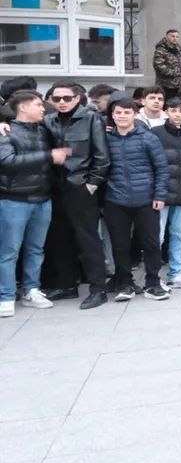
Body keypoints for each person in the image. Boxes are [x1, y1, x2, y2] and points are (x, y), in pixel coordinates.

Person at [40, 82, 110, 308]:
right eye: (56, 98)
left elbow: (102, 156)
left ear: (77, 98)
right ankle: (66, 285)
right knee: (59, 239)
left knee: (88, 240)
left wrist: (92, 183)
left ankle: (98, 289)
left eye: (66, 98)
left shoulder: (91, 119)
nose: (61, 102)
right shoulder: (48, 120)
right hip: (54, 187)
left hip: (81, 187)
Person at [0, 91, 67, 315]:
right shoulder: (6, 132)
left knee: (36, 249)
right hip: (14, 199)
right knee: (9, 251)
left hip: (43, 198)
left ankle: (31, 290)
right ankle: (6, 296)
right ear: (22, 107)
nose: (43, 108)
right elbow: (7, 161)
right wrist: (48, 156)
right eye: (38, 104)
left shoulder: (43, 130)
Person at [102, 94, 171, 301]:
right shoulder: (105, 139)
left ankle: (153, 283)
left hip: (146, 200)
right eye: (118, 112)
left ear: (135, 114)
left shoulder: (148, 138)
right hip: (116, 200)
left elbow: (162, 169)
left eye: (127, 112)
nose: (122, 116)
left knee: (151, 243)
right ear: (112, 115)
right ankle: (125, 283)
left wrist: (159, 195)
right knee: (120, 245)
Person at [154, 98, 181, 289]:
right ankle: (154, 277)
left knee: (178, 236)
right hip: (161, 194)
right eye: (173, 110)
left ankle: (176, 274)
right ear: (166, 112)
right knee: (157, 237)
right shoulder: (155, 133)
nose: (177, 114)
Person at [153, 29, 181, 98]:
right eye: (172, 36)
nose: (175, 38)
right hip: (167, 85)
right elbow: (158, 65)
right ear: (167, 37)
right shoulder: (161, 49)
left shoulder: (176, 49)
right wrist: (173, 73)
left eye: (177, 37)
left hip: (179, 84)